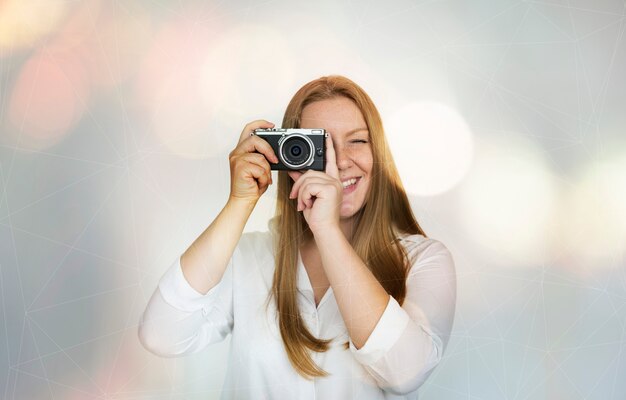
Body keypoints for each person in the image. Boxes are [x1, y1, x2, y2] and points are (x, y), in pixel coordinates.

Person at [139, 75, 457, 399]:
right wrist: (240, 201)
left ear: (379, 152)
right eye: (321, 145)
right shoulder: (249, 258)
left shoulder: (422, 259)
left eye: (357, 141)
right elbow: (161, 334)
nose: (341, 161)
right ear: (288, 153)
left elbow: (405, 372)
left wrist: (326, 230)